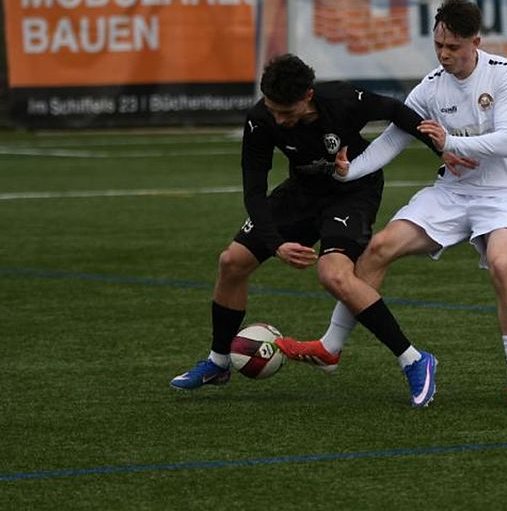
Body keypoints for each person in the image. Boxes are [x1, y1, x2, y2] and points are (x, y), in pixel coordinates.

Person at [277, 0, 507, 411]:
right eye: (438, 45)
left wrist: (449, 141)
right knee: (379, 248)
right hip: (451, 194)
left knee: (504, 265)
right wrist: (348, 172)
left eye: (453, 47)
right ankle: (330, 347)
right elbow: (391, 141)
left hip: (504, 195)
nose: (444, 54)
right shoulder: (431, 86)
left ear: (476, 42)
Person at [170, 53, 464, 408]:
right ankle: (219, 363)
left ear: (307, 95)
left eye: (286, 112)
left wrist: (442, 150)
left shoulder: (341, 100)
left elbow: (397, 112)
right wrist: (276, 244)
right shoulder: (260, 119)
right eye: (272, 109)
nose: (277, 118)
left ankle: (414, 360)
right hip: (302, 193)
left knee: (334, 275)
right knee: (232, 261)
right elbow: (253, 190)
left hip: (353, 192)